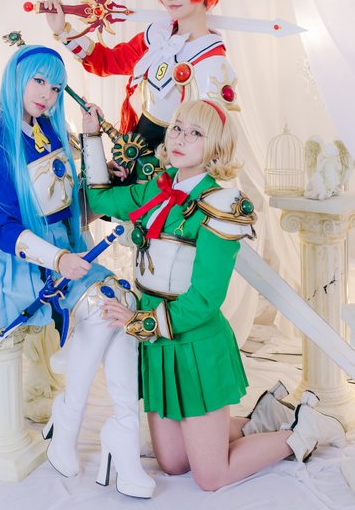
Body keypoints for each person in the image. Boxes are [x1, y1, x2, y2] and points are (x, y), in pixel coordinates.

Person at [81, 97, 347, 491]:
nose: (180, 138)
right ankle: (261, 419)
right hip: (159, 347)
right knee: (173, 464)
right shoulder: (157, 188)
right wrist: (90, 139)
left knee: (211, 476)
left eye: (195, 133)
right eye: (177, 128)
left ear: (216, 147)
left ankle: (306, 429)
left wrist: (139, 321)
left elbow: (204, 302)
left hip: (195, 345)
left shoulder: (223, 206)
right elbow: (100, 199)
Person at [0, 44, 155, 498]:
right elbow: (4, 229)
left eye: (55, 87)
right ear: (16, 78)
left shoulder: (49, 132)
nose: (47, 94)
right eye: (39, 81)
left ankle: (112, 436)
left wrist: (93, 146)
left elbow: (69, 208)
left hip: (65, 252)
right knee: (105, 311)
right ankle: (78, 426)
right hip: (17, 262)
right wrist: (57, 259)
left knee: (122, 307)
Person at [45, 0, 238, 181]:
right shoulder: (158, 37)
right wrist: (63, 31)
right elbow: (108, 61)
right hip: (134, 153)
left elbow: (211, 142)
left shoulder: (214, 63)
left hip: (174, 173)